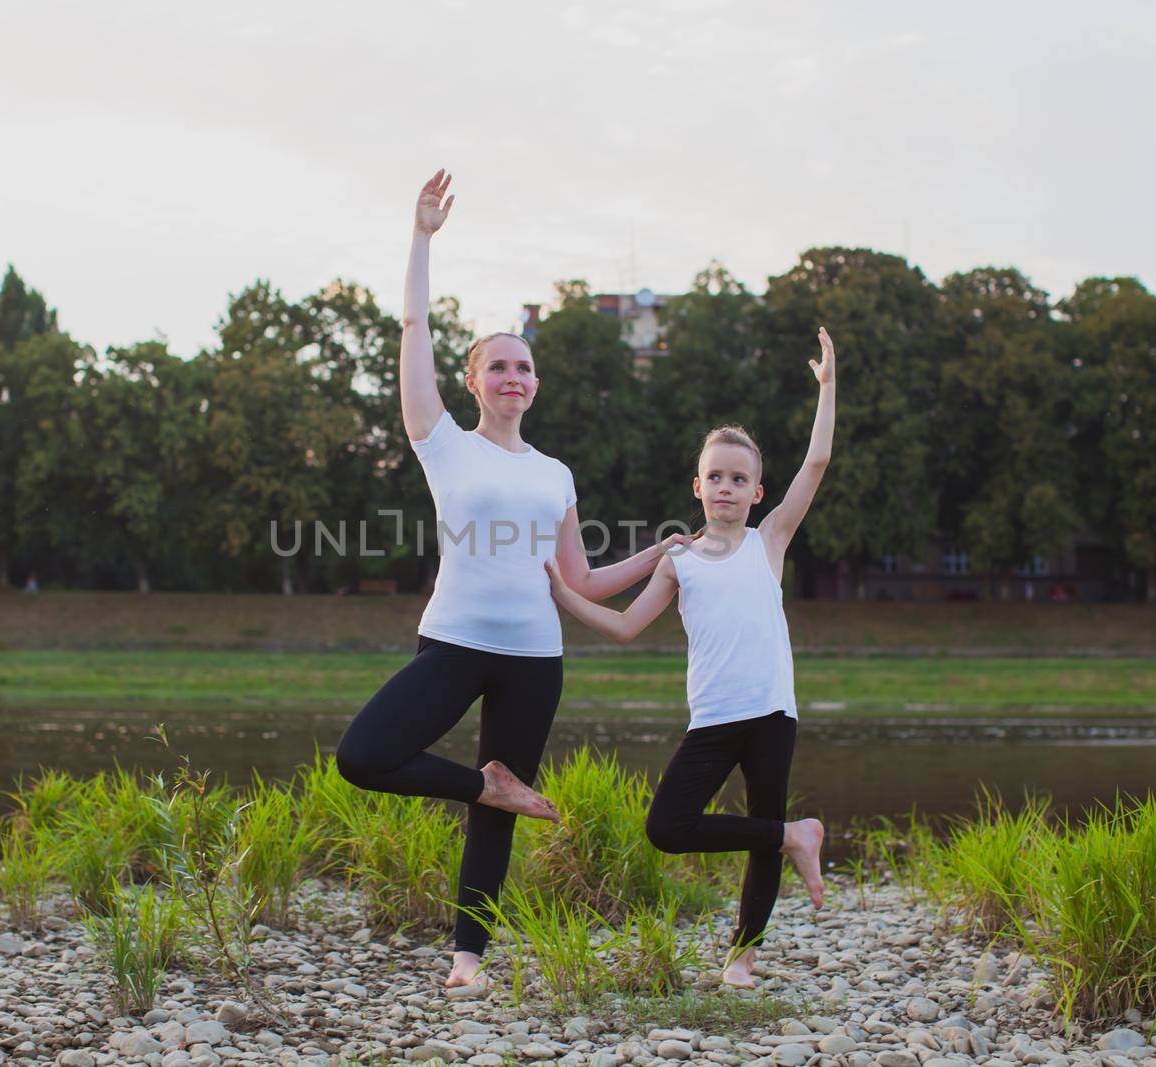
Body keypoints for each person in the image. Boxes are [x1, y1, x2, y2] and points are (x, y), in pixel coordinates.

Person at [335, 170, 686, 990]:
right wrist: (421, 236)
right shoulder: (443, 440)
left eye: (524, 367)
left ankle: (468, 961)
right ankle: (484, 784)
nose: (513, 377)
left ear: (536, 383)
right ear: (472, 381)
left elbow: (583, 581)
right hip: (454, 642)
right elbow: (415, 324)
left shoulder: (555, 473)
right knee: (367, 754)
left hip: (535, 655)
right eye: (498, 366)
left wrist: (657, 555)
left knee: (495, 816)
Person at [543, 327, 837, 989]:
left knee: (762, 824)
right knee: (668, 825)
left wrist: (826, 388)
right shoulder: (679, 558)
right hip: (712, 719)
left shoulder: (771, 540)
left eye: (740, 479)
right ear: (698, 486)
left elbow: (815, 464)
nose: (727, 487)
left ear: (758, 491)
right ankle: (797, 834)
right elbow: (623, 627)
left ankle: (744, 956)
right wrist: (564, 594)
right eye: (716, 477)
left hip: (770, 712)